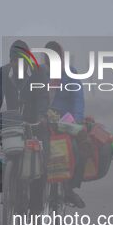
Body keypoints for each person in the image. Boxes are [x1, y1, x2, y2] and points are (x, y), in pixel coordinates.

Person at [0, 40, 49, 215]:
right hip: (12, 121)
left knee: (42, 162)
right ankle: (6, 183)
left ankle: (37, 209)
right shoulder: (3, 73)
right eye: (16, 61)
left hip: (34, 123)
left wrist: (42, 115)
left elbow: (43, 96)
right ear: (11, 60)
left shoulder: (38, 73)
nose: (19, 64)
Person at [43, 41, 87, 208]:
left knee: (75, 150)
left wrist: (76, 121)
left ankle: (68, 190)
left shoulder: (70, 73)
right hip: (43, 120)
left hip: (65, 121)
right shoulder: (40, 73)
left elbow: (77, 99)